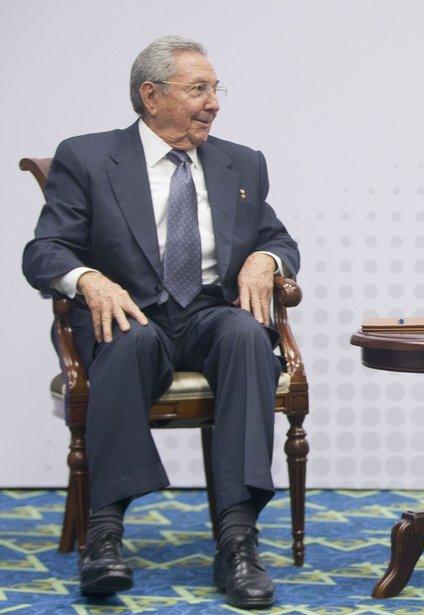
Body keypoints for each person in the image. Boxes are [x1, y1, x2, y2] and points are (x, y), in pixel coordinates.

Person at [22, 36, 300, 610]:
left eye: (216, 89)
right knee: (129, 336)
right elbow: (44, 251)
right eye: (199, 88)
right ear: (151, 96)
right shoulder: (89, 157)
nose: (215, 102)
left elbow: (277, 236)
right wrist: (88, 280)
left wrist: (264, 258)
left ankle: (238, 540)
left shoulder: (240, 162)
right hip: (126, 313)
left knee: (249, 335)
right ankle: (103, 535)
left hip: (205, 315)